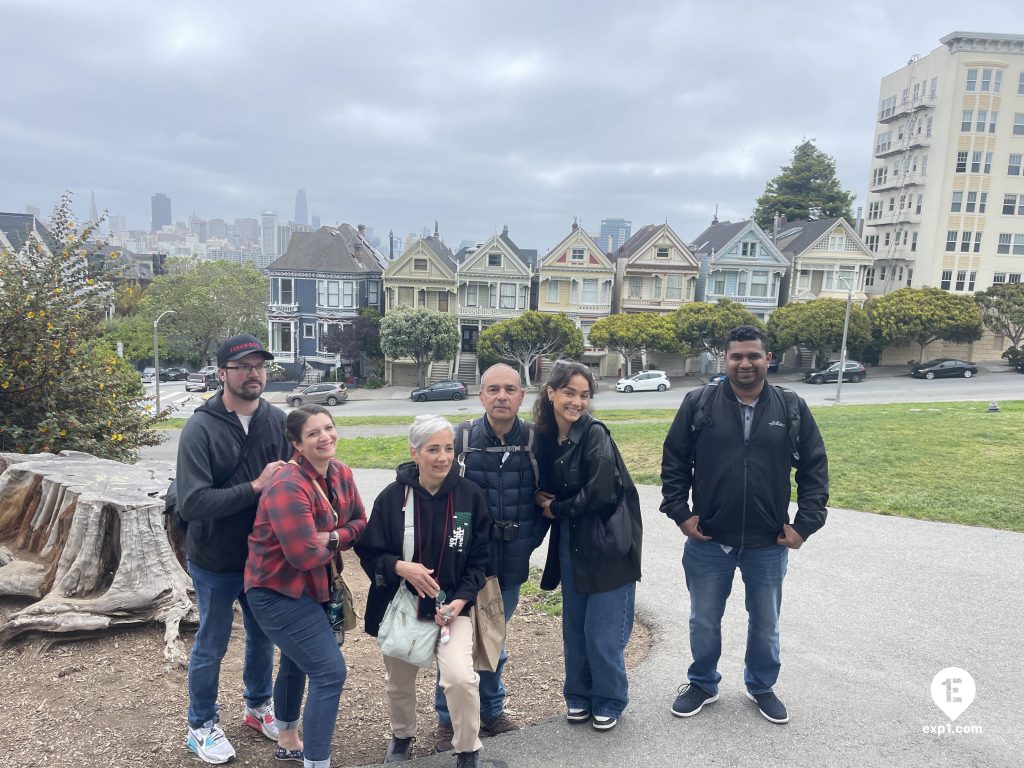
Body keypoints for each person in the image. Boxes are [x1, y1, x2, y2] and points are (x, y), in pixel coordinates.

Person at [660, 324, 829, 725]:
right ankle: (702, 682)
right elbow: (674, 462)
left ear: (768, 358)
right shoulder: (699, 403)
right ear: (726, 359)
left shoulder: (791, 408)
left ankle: (762, 685)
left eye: (753, 355)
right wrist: (680, 514)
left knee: (766, 622)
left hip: (768, 542)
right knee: (703, 619)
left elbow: (814, 470)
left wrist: (805, 524)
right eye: (736, 356)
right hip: (708, 540)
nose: (745, 363)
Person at [176, 334, 292, 764]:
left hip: (263, 555)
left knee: (263, 636)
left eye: (259, 365)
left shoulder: (277, 421)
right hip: (214, 557)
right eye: (242, 366)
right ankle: (200, 724)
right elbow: (192, 503)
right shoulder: (200, 428)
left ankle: (257, 706)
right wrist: (256, 486)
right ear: (222, 373)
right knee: (212, 640)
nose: (254, 373)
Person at [355, 415, 491, 768]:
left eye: (449, 448)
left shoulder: (470, 496)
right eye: (433, 449)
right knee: (399, 683)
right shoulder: (392, 498)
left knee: (460, 678)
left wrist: (461, 599)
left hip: (453, 609)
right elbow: (369, 551)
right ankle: (402, 736)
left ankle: (467, 748)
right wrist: (401, 567)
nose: (443, 457)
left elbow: (481, 559)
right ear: (414, 453)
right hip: (404, 606)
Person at [245, 405, 366, 768]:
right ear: (296, 442)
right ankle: (317, 761)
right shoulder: (287, 486)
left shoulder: (341, 472)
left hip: (317, 588)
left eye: (328, 428)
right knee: (330, 671)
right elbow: (301, 554)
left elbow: (361, 521)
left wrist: (330, 537)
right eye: (313, 433)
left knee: (299, 660)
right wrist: (336, 540)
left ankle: (286, 736)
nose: (324, 437)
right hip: (275, 591)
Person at [432, 363, 546, 751]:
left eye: (510, 389)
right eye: (493, 389)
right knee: (453, 641)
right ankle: (449, 717)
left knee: (493, 638)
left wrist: (528, 541)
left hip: (511, 562)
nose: (502, 396)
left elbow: (545, 501)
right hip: (463, 567)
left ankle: (492, 711)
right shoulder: (460, 439)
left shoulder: (535, 440)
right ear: (480, 396)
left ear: (522, 396)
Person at [533, 360, 642, 733]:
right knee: (575, 628)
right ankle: (578, 695)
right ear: (551, 393)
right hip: (572, 541)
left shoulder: (594, 434)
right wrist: (540, 496)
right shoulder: (548, 437)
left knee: (603, 633)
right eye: (569, 393)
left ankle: (610, 699)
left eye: (583, 395)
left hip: (607, 542)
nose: (577, 402)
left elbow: (598, 492)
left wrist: (555, 507)